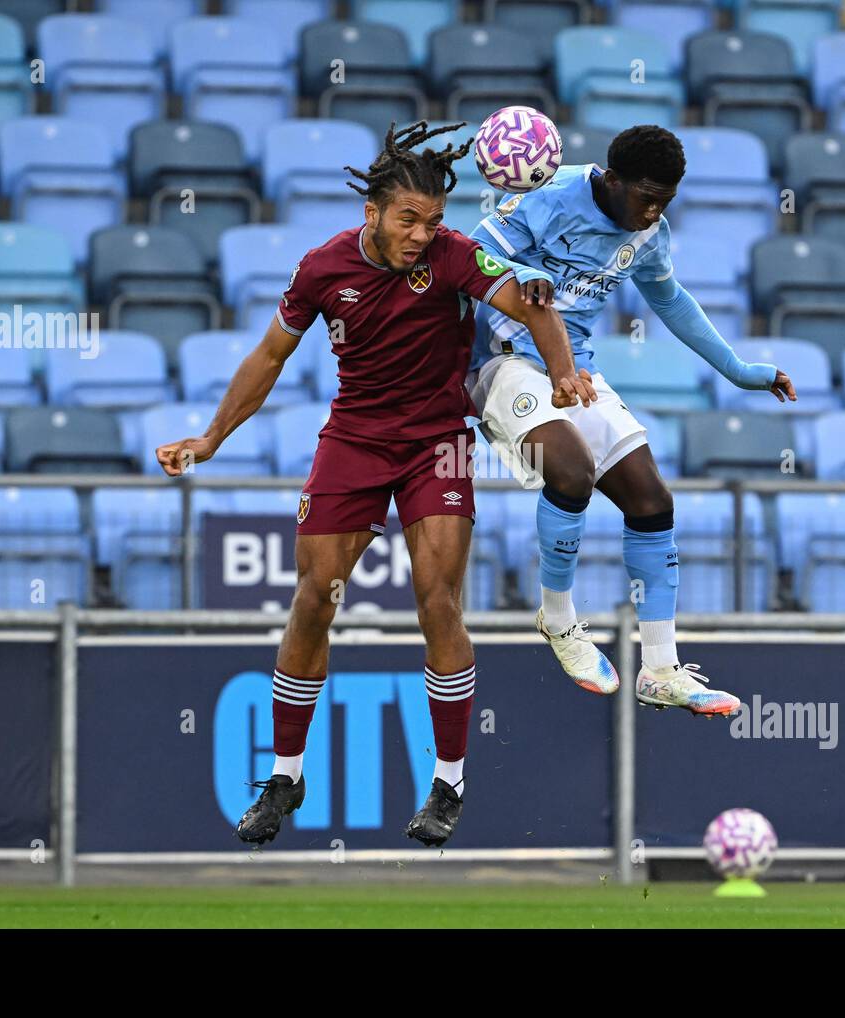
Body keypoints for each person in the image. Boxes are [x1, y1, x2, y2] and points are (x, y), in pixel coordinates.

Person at [156, 121, 594, 847]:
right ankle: (287, 773)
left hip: (438, 444)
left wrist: (562, 373)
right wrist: (209, 439)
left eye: (434, 221)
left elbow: (532, 302)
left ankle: (449, 781)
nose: (423, 235)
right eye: (408, 220)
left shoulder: (456, 257)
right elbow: (268, 358)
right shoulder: (323, 268)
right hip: (354, 442)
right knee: (312, 599)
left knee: (438, 599)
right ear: (373, 215)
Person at [467, 124, 798, 715]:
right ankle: (560, 619)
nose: (652, 212)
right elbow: (469, 256)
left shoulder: (649, 233)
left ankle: (661, 669)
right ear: (611, 180)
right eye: (645, 197)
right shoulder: (547, 196)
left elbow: (670, 300)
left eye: (665, 201)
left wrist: (739, 369)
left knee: (651, 498)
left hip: (577, 371)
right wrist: (517, 273)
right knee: (569, 470)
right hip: (503, 361)